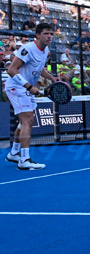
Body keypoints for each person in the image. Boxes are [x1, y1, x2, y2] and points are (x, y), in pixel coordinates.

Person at [5, 23, 59, 170]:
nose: (49, 36)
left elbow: (39, 68)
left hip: (26, 89)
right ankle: (24, 160)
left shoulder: (45, 50)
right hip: (17, 87)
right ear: (38, 35)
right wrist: (29, 86)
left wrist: (52, 78)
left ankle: (14, 153)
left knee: (25, 122)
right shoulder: (28, 49)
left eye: (51, 34)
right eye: (46, 33)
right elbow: (11, 70)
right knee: (27, 120)